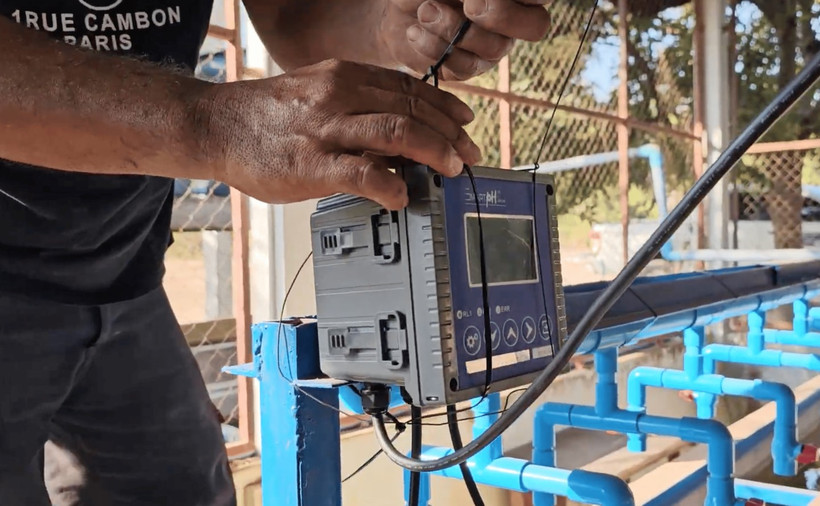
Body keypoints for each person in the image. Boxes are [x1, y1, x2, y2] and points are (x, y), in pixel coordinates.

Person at [0, 1, 551, 504]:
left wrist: (388, 24)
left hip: (125, 271)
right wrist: (211, 125)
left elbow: (290, 15)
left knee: (186, 488)